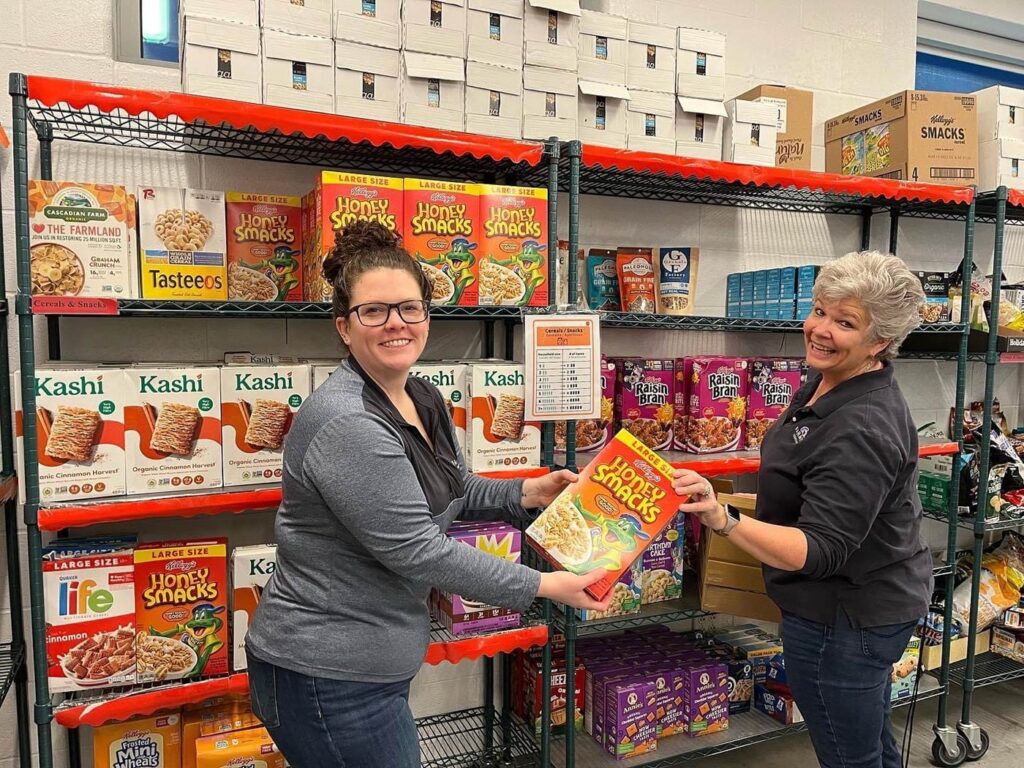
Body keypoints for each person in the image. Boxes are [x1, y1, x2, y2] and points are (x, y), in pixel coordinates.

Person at [245, 221, 611, 768]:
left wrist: (530, 491)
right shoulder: (349, 422)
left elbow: (454, 486)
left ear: (427, 315)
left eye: (409, 308)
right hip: (326, 673)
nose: (396, 324)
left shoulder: (420, 394)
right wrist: (549, 585)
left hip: (368, 663)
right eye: (374, 311)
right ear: (344, 328)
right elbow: (419, 550)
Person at [673, 251, 932, 768]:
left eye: (844, 322)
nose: (819, 329)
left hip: (847, 619)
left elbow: (819, 550)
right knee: (871, 744)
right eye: (819, 310)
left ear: (880, 341)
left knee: (847, 754)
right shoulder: (829, 379)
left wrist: (722, 518)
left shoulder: (862, 424)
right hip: (856, 604)